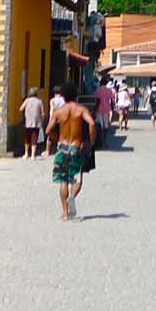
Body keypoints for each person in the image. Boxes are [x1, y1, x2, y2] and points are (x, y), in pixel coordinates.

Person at [45, 85, 95, 220]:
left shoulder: (58, 111)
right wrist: (91, 140)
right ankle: (72, 197)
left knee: (63, 180)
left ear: (63, 96)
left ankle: (65, 213)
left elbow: (48, 130)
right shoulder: (81, 109)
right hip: (76, 147)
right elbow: (91, 123)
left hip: (62, 147)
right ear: (76, 95)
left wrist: (57, 140)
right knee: (77, 178)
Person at [21, 87, 46, 159]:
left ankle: (26, 154)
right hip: (36, 123)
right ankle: (33, 155)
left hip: (28, 122)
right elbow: (42, 113)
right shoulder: (39, 101)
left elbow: (21, 108)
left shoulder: (27, 100)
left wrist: (26, 113)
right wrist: (42, 120)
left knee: (27, 138)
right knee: (34, 139)